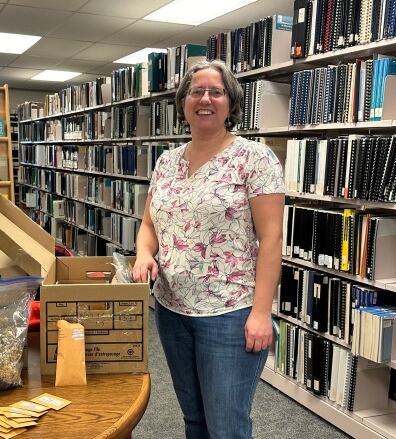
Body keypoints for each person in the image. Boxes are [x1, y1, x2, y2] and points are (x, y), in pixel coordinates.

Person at [132, 60, 285, 439]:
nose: (205, 99)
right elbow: (150, 224)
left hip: (229, 314)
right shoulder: (167, 161)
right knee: (194, 419)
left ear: (231, 104)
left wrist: (261, 313)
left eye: (216, 92)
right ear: (183, 103)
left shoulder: (254, 158)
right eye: (196, 92)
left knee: (226, 426)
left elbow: (271, 238)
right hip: (170, 309)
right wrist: (143, 254)